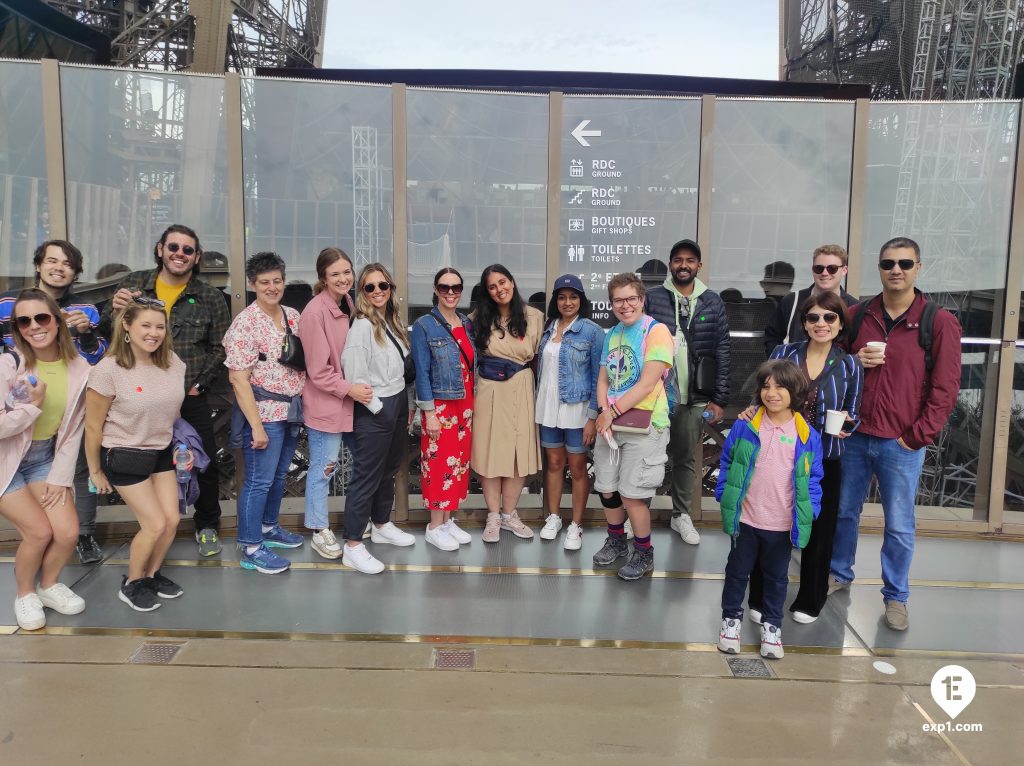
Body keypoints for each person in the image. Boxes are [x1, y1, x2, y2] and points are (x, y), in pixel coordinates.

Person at [829, 237, 961, 631]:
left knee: (900, 524)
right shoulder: (856, 314)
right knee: (843, 513)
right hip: (854, 435)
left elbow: (945, 388)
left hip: (900, 442)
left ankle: (896, 597)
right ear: (879, 267)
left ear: (918, 267)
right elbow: (829, 363)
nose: (896, 270)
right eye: (888, 263)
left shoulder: (938, 321)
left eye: (905, 263)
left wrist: (917, 436)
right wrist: (852, 358)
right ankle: (838, 573)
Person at [101, 224, 229, 557]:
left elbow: (221, 347)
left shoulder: (210, 297)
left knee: (205, 461)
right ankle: (153, 527)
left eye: (188, 250)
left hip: (186, 395)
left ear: (197, 257)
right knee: (150, 458)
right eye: (174, 247)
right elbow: (107, 329)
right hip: (138, 394)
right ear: (160, 249)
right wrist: (112, 310)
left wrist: (201, 384)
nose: (180, 254)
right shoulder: (134, 285)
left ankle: (207, 526)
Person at [743, 292, 863, 624]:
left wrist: (848, 424)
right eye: (814, 318)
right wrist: (753, 410)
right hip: (778, 454)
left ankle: (811, 598)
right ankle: (759, 595)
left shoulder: (850, 364)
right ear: (804, 323)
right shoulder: (784, 353)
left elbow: (855, 411)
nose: (821, 324)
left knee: (820, 529)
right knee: (770, 525)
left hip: (826, 456)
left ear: (840, 324)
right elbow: (763, 396)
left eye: (829, 318)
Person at [0, 240, 108, 565]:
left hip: (60, 413)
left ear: (75, 272)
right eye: (52, 261)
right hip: (15, 401)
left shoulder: (85, 310)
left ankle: (83, 537)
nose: (59, 267)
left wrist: (87, 333)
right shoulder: (8, 303)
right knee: (36, 525)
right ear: (38, 265)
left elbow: (96, 359)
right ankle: (32, 570)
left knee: (73, 477)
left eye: (67, 263)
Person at [86, 298, 190, 612]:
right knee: (154, 524)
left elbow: (173, 412)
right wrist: (94, 470)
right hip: (125, 453)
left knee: (172, 520)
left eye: (160, 326)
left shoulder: (173, 362)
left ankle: (151, 574)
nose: (154, 332)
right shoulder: (109, 369)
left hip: (161, 450)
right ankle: (132, 582)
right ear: (127, 327)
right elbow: (92, 426)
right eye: (146, 325)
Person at [716, 360, 823, 660]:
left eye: (780, 387)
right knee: (737, 573)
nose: (772, 393)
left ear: (796, 392)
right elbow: (727, 462)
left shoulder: (806, 435)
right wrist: (724, 494)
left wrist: (810, 510)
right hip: (746, 520)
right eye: (766, 386)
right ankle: (730, 622)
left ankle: (772, 627)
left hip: (781, 524)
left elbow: (814, 479)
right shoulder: (745, 426)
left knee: (777, 579)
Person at [0, 290, 90, 630]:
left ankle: (49, 584)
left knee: (67, 533)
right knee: (38, 532)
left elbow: (72, 432)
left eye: (42, 317)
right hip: (5, 462)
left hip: (43, 458)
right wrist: (31, 407)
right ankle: (25, 594)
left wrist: (60, 476)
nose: (34, 326)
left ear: (57, 319)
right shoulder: (8, 364)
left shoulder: (78, 367)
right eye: (24, 320)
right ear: (17, 328)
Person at [222, 253, 305, 575]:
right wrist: (255, 426)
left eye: (277, 281)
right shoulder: (245, 323)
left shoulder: (292, 316)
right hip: (264, 412)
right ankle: (251, 545)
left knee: (280, 475)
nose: (272, 287)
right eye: (264, 282)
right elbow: (238, 379)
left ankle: (270, 527)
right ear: (253, 284)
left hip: (292, 408)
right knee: (258, 480)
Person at [644, 239, 730, 545]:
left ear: (699, 266)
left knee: (685, 459)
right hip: (654, 397)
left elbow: (722, 350)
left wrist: (718, 398)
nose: (684, 265)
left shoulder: (712, 301)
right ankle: (638, 515)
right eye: (678, 260)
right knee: (647, 457)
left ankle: (682, 515)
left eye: (690, 260)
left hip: (694, 396)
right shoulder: (653, 298)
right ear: (670, 264)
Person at [592, 273, 673, 580]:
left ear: (641, 299)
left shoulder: (656, 331)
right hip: (611, 423)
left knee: (631, 494)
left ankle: (643, 551)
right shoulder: (612, 334)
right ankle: (617, 540)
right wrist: (604, 413)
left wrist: (609, 413)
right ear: (611, 303)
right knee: (608, 488)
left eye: (630, 299)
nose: (624, 306)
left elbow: (648, 381)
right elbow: (602, 379)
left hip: (645, 424)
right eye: (618, 300)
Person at [338, 263, 417, 573]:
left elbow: (400, 371)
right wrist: (380, 411)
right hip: (376, 407)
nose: (377, 292)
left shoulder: (391, 322)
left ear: (390, 288)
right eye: (370, 287)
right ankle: (353, 544)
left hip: (396, 402)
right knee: (366, 476)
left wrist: (402, 406)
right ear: (362, 292)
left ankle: (381, 524)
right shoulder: (360, 327)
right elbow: (356, 379)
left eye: (383, 285)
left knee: (388, 470)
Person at [299, 247, 374, 560]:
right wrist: (351, 390)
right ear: (323, 278)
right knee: (324, 468)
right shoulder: (314, 313)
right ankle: (319, 529)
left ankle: (355, 519)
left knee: (363, 463)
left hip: (350, 403)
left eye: (347, 272)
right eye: (335, 274)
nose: (343, 278)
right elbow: (318, 372)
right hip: (328, 405)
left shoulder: (348, 302)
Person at [471, 265, 544, 543]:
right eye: (492, 286)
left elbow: (539, 358)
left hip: (521, 388)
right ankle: (492, 515)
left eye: (503, 282)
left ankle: (509, 514)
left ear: (512, 282)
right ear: (487, 292)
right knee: (491, 453)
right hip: (489, 391)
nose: (499, 289)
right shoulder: (477, 318)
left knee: (516, 456)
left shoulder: (534, 317)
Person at [535, 275, 603, 550]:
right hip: (548, 406)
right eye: (562, 297)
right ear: (555, 301)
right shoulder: (548, 328)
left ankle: (576, 524)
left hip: (577, 408)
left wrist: (592, 416)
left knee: (577, 468)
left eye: (573, 297)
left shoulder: (592, 331)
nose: (567, 302)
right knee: (553, 464)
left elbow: (600, 375)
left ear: (581, 300)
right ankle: (553, 518)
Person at [410, 268, 476, 551]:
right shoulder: (425, 324)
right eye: (444, 287)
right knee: (439, 464)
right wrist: (428, 412)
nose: (451, 293)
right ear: (436, 290)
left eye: (456, 287)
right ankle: (435, 525)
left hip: (465, 404)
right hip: (440, 406)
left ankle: (448, 520)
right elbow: (421, 372)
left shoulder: (464, 321)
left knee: (459, 463)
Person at [763, 244, 859, 357]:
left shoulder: (855, 307)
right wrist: (781, 365)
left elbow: (856, 345)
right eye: (819, 268)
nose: (824, 273)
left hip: (836, 373)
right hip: (793, 372)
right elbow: (772, 337)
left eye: (832, 268)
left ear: (844, 270)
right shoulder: (792, 301)